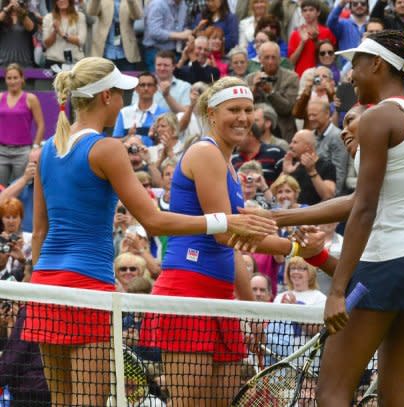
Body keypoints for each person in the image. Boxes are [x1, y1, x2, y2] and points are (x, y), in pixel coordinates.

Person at [20, 58, 276, 407]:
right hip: (87, 288)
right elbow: (154, 221)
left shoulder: (48, 148)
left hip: (46, 287)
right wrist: (223, 222)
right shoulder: (107, 149)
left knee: (62, 401)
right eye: (122, 95)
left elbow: (38, 234)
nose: (125, 103)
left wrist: (43, 287)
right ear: (106, 97)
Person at [245, 31, 404, 406]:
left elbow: (364, 207)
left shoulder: (380, 117)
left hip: (387, 263)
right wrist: (276, 217)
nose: (350, 74)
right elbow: (362, 200)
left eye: (356, 64)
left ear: (377, 64)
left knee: (331, 391)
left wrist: (339, 290)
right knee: (398, 398)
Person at [138, 76, 319, 406]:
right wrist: (294, 247)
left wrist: (250, 308)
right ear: (211, 113)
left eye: (248, 110)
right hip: (189, 293)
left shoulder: (229, 166)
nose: (243, 117)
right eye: (233, 109)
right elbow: (226, 232)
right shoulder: (206, 154)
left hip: (220, 297)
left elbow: (234, 245)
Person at [0, 64, 44, 187]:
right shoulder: (0, 97)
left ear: (22, 79)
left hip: (23, 152)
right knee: (1, 190)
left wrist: (35, 147)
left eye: (15, 77)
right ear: (5, 80)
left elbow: (40, 124)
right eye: (9, 78)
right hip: (1, 152)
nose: (12, 81)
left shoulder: (31, 99)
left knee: (23, 189)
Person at [113, 72, 169, 146]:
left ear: (155, 89)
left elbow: (168, 141)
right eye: (142, 85)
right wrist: (128, 137)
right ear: (136, 89)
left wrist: (154, 137)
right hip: (129, 155)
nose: (146, 88)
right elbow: (115, 142)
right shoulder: (124, 112)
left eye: (149, 85)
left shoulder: (165, 114)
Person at [87, 0, 143, 71]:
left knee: (126, 79)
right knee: (105, 80)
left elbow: (137, 16)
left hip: (126, 52)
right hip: (104, 51)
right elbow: (92, 12)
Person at [287, 0, 336, 77]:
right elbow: (291, 62)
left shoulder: (327, 32)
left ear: (318, 12)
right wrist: (302, 43)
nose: (308, 13)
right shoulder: (295, 34)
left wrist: (316, 41)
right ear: (302, 13)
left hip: (322, 77)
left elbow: (331, 58)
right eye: (305, 10)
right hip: (301, 77)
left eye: (311, 10)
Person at [42, 0, 87, 67]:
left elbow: (81, 41)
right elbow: (46, 44)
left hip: (75, 61)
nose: (61, 1)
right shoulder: (48, 17)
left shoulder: (80, 16)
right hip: (54, 61)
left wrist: (62, 34)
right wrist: (55, 31)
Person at [0, 0, 38, 67]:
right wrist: (7, 8)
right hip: (3, 62)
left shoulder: (29, 15)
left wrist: (20, 10)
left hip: (25, 62)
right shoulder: (2, 14)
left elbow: (31, 28)